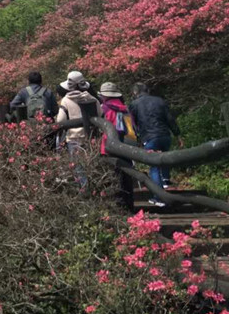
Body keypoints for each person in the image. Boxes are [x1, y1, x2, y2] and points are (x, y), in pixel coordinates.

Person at [129, 83, 183, 207]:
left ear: (135, 93)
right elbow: (170, 119)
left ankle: (159, 197)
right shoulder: (160, 101)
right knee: (163, 157)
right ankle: (165, 181)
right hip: (165, 135)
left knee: (154, 166)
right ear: (147, 90)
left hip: (149, 137)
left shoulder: (134, 104)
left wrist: (138, 138)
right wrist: (178, 135)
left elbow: (134, 124)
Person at [56, 71, 102, 189]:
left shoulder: (66, 100)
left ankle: (84, 191)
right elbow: (100, 114)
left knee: (79, 167)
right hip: (92, 137)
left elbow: (60, 120)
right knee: (93, 165)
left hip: (74, 137)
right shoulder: (92, 99)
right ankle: (94, 191)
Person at [98, 82, 136, 211]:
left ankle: (117, 205)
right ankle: (129, 204)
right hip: (126, 144)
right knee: (127, 174)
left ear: (104, 96)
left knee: (113, 175)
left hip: (109, 145)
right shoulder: (125, 108)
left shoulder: (104, 108)